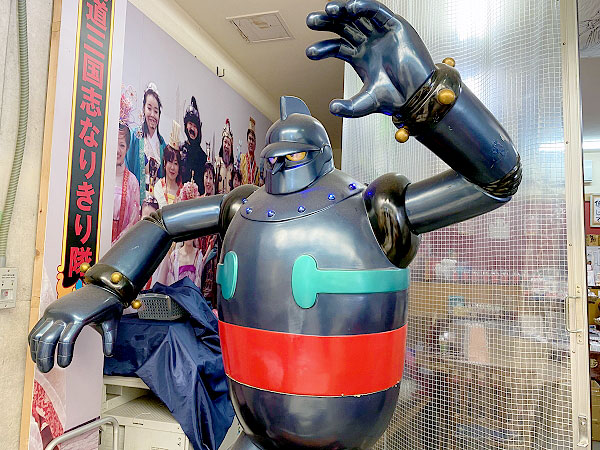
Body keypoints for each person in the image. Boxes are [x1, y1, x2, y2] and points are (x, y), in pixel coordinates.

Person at [126, 83, 166, 206]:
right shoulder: (134, 136)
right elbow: (127, 167)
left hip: (157, 204)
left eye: (156, 111)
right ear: (143, 109)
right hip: (136, 201)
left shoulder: (162, 145)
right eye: (149, 108)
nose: (152, 114)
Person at [112, 123, 140, 244]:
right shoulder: (99, 175)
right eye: (115, 143)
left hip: (120, 247)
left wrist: (116, 245)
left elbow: (133, 222)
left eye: (122, 145)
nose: (118, 150)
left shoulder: (132, 182)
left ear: (127, 148)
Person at [180, 96, 207, 190]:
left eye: (195, 126)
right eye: (190, 124)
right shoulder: (180, 150)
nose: (192, 128)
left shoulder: (203, 157)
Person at [240, 117, 260, 186]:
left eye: (253, 140)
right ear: (247, 141)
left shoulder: (257, 169)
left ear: (255, 144)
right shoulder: (241, 159)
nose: (251, 142)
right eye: (250, 139)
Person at [215, 119, 234, 194]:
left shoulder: (233, 168)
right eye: (225, 142)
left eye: (229, 144)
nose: (226, 146)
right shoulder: (217, 163)